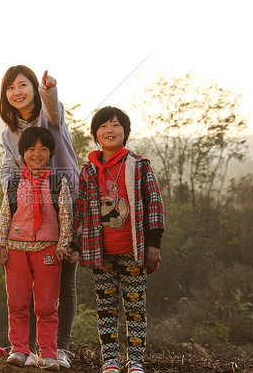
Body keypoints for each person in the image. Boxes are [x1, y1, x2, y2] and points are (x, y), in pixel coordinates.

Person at [72, 107, 165, 373]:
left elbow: (154, 202)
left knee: (135, 306)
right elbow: (80, 208)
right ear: (95, 135)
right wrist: (75, 244)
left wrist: (153, 242)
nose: (109, 131)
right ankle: (110, 360)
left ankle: (135, 361)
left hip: (133, 249)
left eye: (115, 126)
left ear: (125, 132)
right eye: (103, 127)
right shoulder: (89, 170)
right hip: (100, 251)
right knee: (105, 306)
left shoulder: (138, 165)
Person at [0, 65, 79, 368]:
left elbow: (53, 109)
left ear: (33, 88)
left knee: (63, 281)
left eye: (23, 85)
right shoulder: (9, 133)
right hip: (30, 212)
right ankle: (28, 349)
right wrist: (12, 193)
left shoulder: (49, 118)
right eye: (11, 88)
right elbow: (9, 166)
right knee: (27, 284)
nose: (17, 92)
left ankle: (59, 348)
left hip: (67, 201)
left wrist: (49, 90)